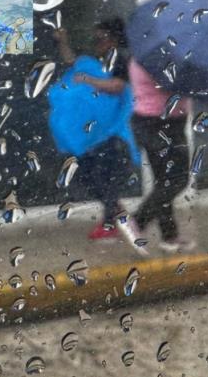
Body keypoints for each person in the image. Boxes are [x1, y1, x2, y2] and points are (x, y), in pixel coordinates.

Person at [53, 20, 145, 254]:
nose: (97, 42)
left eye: (100, 38)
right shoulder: (96, 61)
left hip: (112, 131)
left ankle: (111, 221)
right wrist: (63, 41)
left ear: (112, 39)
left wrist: (88, 81)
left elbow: (117, 87)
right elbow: (72, 62)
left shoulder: (122, 59)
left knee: (103, 175)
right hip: (95, 133)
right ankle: (115, 213)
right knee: (89, 174)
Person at [125, 59, 194, 253]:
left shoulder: (146, 54)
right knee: (178, 180)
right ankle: (138, 220)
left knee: (164, 181)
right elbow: (172, 83)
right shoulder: (154, 58)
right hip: (160, 123)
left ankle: (169, 237)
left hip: (159, 121)